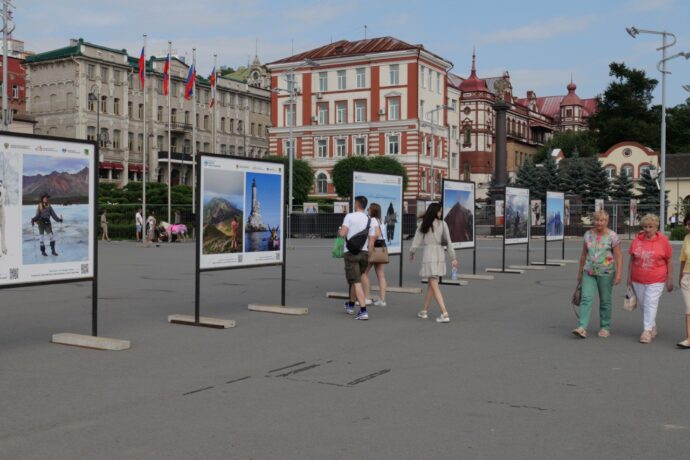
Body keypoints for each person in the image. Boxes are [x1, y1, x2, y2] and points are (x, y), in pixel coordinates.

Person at [572, 210, 623, 339]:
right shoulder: (588, 234)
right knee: (586, 298)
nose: (599, 223)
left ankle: (605, 327)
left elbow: (618, 256)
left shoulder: (612, 236)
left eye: (602, 220)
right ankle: (582, 327)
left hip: (606, 272)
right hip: (589, 271)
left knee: (605, 301)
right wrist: (580, 272)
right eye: (597, 220)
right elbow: (584, 254)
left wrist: (619, 274)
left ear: (607, 221)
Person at [628, 214, 673, 344]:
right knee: (643, 305)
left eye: (650, 227)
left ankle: (646, 331)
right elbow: (632, 260)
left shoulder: (663, 241)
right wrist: (628, 278)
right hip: (638, 278)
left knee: (650, 303)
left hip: (657, 278)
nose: (647, 229)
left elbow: (669, 260)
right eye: (645, 226)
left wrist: (669, 277)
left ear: (656, 227)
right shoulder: (637, 240)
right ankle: (652, 326)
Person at [409, 202, 458, 323]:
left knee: (433, 283)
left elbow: (416, 241)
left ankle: (444, 313)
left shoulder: (423, 224)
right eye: (439, 211)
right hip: (439, 254)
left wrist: (412, 252)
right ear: (435, 212)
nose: (440, 213)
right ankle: (424, 310)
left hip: (429, 254)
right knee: (432, 284)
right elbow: (449, 242)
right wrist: (453, 257)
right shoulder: (443, 224)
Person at [339, 195, 371, 320]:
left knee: (356, 282)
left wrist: (340, 231)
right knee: (356, 279)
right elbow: (371, 238)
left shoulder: (349, 216)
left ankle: (363, 310)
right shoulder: (369, 219)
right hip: (364, 253)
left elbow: (343, 234)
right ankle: (350, 305)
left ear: (357, 204)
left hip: (351, 252)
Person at [363, 203, 388, 307]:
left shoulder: (372, 220)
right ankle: (382, 300)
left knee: (363, 272)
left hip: (374, 248)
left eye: (369, 208)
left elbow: (375, 234)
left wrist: (370, 248)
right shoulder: (381, 221)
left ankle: (367, 297)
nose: (367, 210)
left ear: (372, 210)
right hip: (382, 248)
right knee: (381, 275)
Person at [31, 192, 63, 256]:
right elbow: (37, 215)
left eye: (46, 198)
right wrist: (34, 219)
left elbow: (53, 215)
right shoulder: (39, 205)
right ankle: (43, 252)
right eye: (44, 198)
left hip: (47, 223)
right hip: (40, 223)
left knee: (51, 236)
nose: (45, 199)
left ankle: (53, 251)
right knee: (41, 237)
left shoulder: (49, 206)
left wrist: (58, 219)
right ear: (42, 199)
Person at [677, 214, 690, 348]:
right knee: (689, 307)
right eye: (686, 224)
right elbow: (682, 258)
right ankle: (689, 338)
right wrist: (680, 275)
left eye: (689, 224)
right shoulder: (687, 238)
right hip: (687, 277)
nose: (687, 227)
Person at [0, 179, 7, 256]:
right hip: (2, 210)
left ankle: (3, 249)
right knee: (3, 232)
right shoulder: (4, 190)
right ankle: (4, 249)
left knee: (3, 231)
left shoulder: (3, 190)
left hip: (1, 210)